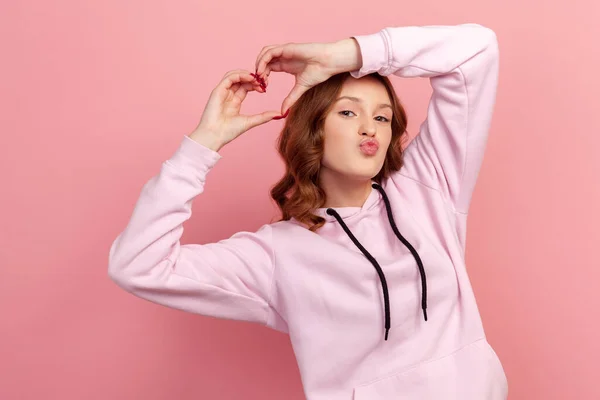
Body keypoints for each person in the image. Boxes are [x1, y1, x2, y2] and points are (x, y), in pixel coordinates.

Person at [108, 23, 507, 399]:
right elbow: (138, 266)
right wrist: (202, 146)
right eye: (348, 112)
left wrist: (346, 54)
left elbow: (476, 51)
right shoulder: (277, 254)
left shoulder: (426, 189)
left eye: (382, 117)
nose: (370, 128)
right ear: (314, 129)